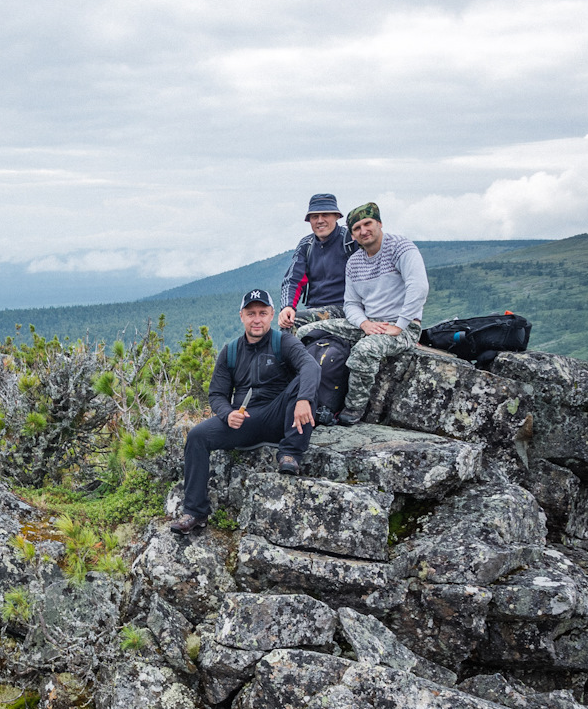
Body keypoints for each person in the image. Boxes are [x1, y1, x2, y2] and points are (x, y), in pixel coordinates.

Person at [168, 289, 321, 534]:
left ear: (272, 315)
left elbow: (310, 367)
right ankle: (194, 512)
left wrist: (304, 399)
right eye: (251, 314)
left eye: (262, 313)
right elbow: (217, 394)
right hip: (243, 421)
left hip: (279, 416)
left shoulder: (284, 342)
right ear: (242, 316)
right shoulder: (230, 351)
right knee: (197, 436)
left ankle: (290, 454)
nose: (256, 319)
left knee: (302, 382)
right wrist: (227, 414)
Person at [298, 201, 428, 425]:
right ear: (352, 234)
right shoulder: (355, 262)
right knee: (305, 331)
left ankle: (353, 410)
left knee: (364, 351)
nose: (363, 231)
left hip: (403, 327)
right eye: (357, 228)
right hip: (368, 323)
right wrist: (364, 324)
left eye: (368, 224)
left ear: (379, 223)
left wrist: (400, 325)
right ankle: (296, 395)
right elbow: (351, 304)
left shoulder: (401, 248)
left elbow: (418, 287)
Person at [277, 193, 357, 330]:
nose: (320, 220)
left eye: (325, 214)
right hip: (314, 308)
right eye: (315, 216)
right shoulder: (306, 245)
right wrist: (287, 306)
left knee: (296, 321)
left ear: (337, 216)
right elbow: (293, 279)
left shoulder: (350, 241)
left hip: (346, 308)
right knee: (288, 321)